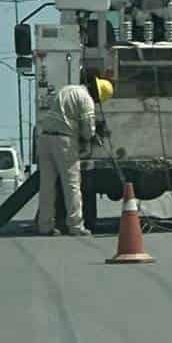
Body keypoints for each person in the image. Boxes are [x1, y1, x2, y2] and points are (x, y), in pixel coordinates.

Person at [34, 70, 113, 237]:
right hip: (63, 141)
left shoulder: (67, 89)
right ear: (97, 95)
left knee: (47, 185)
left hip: (45, 138)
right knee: (72, 185)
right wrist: (92, 135)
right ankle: (76, 226)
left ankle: (45, 225)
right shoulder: (86, 100)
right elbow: (87, 131)